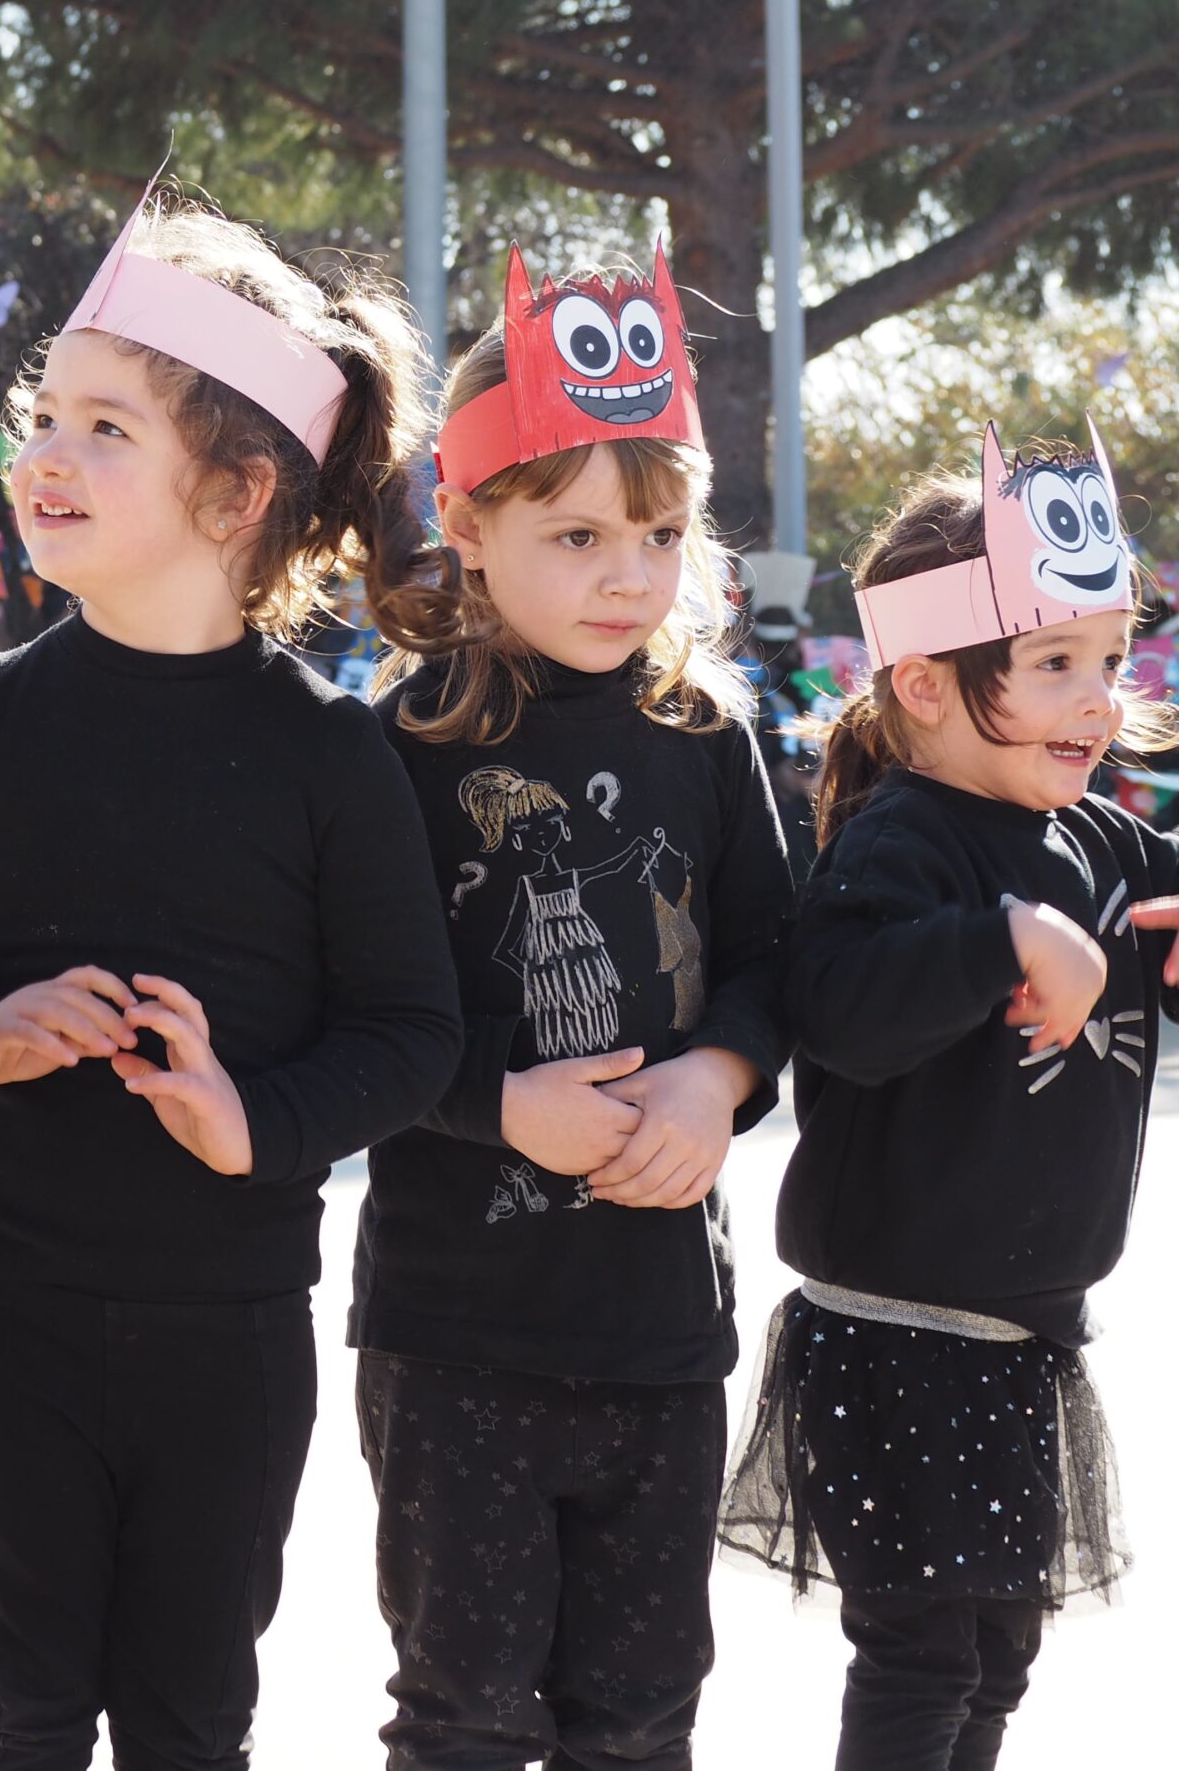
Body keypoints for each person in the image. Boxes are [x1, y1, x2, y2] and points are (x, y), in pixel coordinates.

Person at [0, 185, 466, 1770]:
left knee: (194, 1722)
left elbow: (410, 1033)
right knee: (17, 1714)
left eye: (105, 427)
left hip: (234, 1329)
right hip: (0, 1309)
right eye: (42, 416)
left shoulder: (332, 755)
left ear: (237, 493)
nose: (45, 454)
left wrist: (250, 1120)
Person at [358, 243, 796, 1770]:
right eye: (579, 534)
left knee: (641, 1717)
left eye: (661, 534)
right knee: (464, 1712)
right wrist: (498, 1104)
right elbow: (363, 1015)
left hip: (661, 1331)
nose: (629, 575)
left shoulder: (709, 734)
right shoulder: (399, 748)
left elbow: (773, 957)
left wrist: (717, 1076)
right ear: (469, 527)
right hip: (455, 1336)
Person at [722, 421, 1170, 1771]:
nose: (1098, 700)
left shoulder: (1103, 838)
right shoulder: (900, 842)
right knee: (925, 1656)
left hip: (1027, 1333)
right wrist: (1001, 941)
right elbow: (840, 1014)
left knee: (994, 1657)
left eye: (1109, 660)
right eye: (1054, 664)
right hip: (896, 1338)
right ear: (922, 682)